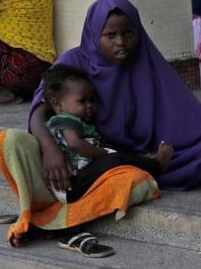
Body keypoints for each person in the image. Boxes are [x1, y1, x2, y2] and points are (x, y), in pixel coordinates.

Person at [29, 0, 201, 193]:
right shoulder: (74, 62)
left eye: (128, 33)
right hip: (91, 156)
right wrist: (50, 150)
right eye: (110, 35)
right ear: (94, 35)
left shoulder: (145, 61)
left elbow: (182, 109)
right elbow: (39, 110)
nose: (121, 42)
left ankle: (148, 165)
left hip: (122, 154)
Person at [41, 64, 173, 203]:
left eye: (92, 100)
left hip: (79, 180)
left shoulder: (74, 121)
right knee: (116, 158)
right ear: (58, 105)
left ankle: (143, 160)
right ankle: (156, 166)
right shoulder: (65, 119)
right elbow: (75, 144)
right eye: (82, 101)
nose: (90, 105)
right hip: (72, 183)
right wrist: (104, 152)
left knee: (116, 151)